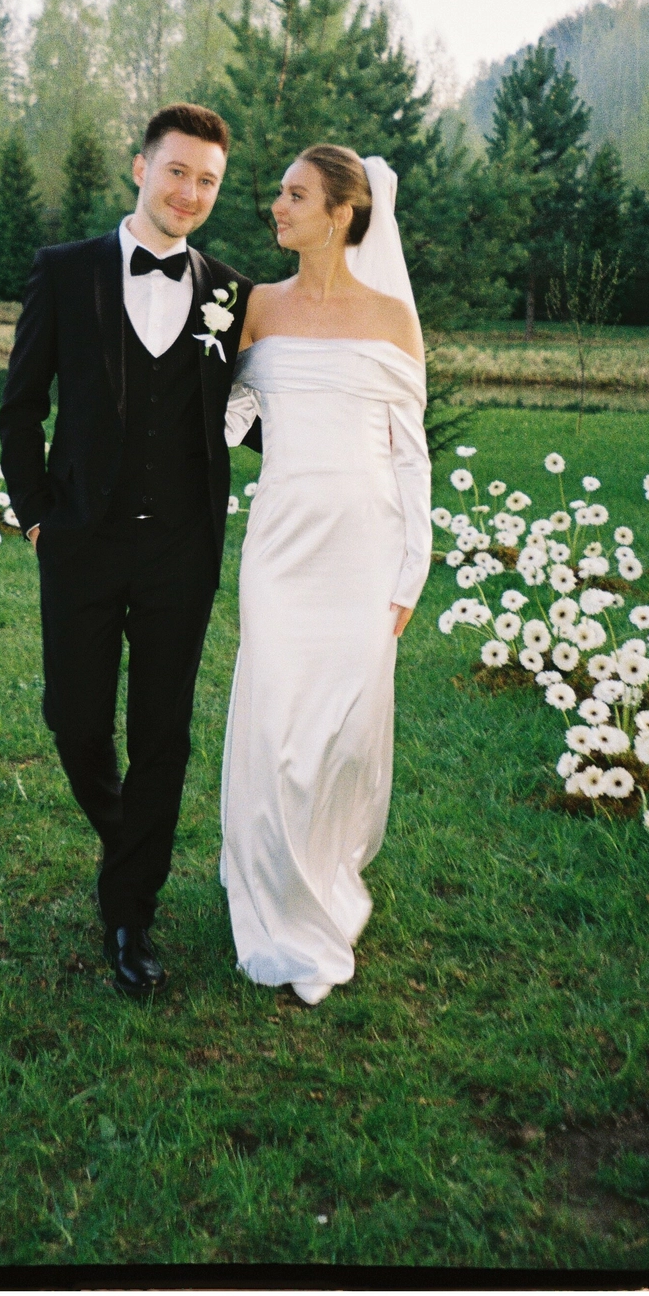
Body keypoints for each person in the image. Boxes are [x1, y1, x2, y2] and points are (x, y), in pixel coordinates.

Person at [0, 102, 259, 999]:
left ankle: (129, 911)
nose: (190, 192)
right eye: (177, 171)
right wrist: (37, 517)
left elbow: (253, 411)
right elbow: (20, 406)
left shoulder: (231, 293)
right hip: (81, 543)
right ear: (141, 168)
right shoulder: (65, 271)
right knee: (74, 723)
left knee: (161, 734)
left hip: (181, 550)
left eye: (208, 181)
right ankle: (130, 841)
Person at [219, 144, 431, 1006]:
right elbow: (229, 413)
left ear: (342, 214)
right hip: (280, 543)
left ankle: (322, 874)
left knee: (340, 729)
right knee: (275, 718)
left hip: (364, 547)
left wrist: (411, 572)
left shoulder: (392, 318)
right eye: (280, 192)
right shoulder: (257, 307)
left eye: (296, 194)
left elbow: (411, 456)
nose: (277, 205)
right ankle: (272, 893)